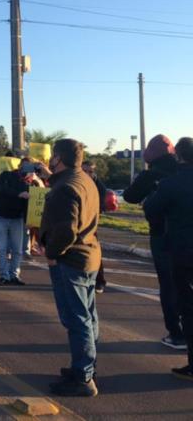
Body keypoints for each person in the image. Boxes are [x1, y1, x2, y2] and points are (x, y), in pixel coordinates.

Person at [39, 139, 101, 397]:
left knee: (76, 319)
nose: (50, 160)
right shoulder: (84, 180)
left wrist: (52, 253)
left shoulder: (65, 188)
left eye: (53, 156)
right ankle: (87, 366)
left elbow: (66, 230)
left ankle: (83, 377)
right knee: (88, 316)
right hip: (88, 256)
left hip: (71, 260)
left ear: (59, 158)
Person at [123, 134, 184, 350]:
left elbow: (130, 196)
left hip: (162, 236)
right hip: (187, 237)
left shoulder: (151, 176)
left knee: (168, 286)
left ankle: (176, 333)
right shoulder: (184, 172)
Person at [144, 137, 193, 381]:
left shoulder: (170, 184)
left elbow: (151, 209)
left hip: (183, 252)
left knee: (189, 306)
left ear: (179, 156)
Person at [0, 157, 32, 286]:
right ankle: (4, 276)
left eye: (29, 167)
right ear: (19, 165)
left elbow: (32, 203)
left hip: (17, 219)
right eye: (24, 166)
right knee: (1, 249)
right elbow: (2, 189)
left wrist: (29, 220)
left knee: (18, 250)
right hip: (1, 217)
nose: (26, 169)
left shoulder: (31, 183)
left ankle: (14, 275)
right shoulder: (6, 175)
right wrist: (19, 194)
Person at [83, 161, 108, 294]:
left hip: (90, 225)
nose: (87, 174)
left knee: (94, 253)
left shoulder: (100, 187)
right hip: (77, 223)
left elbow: (100, 207)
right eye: (84, 171)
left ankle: (100, 281)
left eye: (90, 171)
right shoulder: (78, 182)